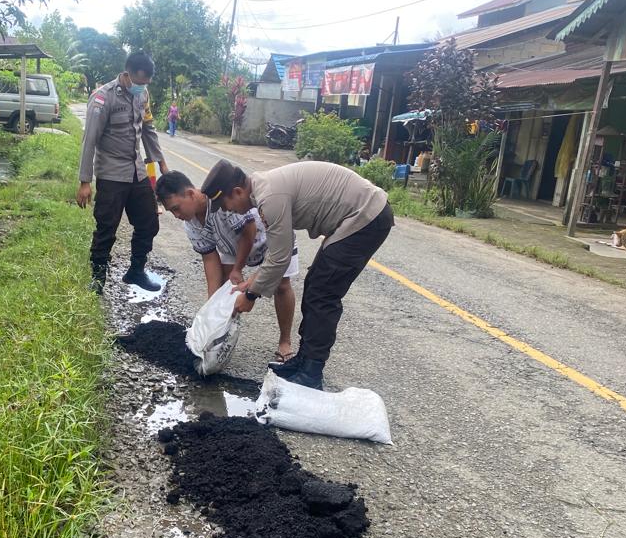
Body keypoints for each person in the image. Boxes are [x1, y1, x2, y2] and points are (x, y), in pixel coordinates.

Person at [200, 158, 393, 390]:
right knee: (314, 285)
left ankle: (311, 372)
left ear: (238, 191)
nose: (228, 210)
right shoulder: (263, 189)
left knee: (323, 293)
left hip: (365, 217)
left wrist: (250, 295)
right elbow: (276, 255)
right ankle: (304, 360)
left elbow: (280, 258)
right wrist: (252, 282)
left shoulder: (269, 198)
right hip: (355, 218)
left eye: (225, 204)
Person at [155, 170, 297, 362]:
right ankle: (218, 339)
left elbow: (249, 231)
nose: (176, 215)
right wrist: (211, 307)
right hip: (233, 247)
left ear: (190, 194)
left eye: (176, 208)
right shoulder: (191, 224)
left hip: (271, 241)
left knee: (281, 285)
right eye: (172, 211)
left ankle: (285, 341)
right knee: (228, 290)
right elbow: (209, 258)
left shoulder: (220, 200)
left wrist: (238, 269)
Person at [77, 50, 168, 294]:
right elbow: (89, 141)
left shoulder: (143, 95)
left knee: (149, 222)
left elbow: (148, 129)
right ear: (127, 75)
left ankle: (136, 271)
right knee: (106, 227)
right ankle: (98, 278)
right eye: (139, 82)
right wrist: (85, 181)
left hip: (136, 171)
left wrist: (160, 162)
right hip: (111, 174)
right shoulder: (102, 98)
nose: (142, 87)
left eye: (146, 83)